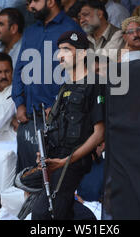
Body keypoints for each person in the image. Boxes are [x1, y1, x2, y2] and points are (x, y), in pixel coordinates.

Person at [31, 31, 105, 220]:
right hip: (55, 160)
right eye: (59, 50)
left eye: (66, 50)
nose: (59, 55)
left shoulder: (95, 84)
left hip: (72, 162)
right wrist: (44, 152)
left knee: (44, 213)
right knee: (58, 211)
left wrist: (66, 161)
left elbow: (99, 134)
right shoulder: (66, 86)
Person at [12, 0, 84, 174]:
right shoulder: (31, 30)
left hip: (60, 117)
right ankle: (29, 205)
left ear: (51, 2)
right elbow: (20, 67)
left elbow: (78, 74)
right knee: (28, 175)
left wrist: (59, 105)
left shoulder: (71, 29)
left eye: (36, 1)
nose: (31, 6)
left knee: (54, 175)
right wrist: (19, 103)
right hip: (29, 114)